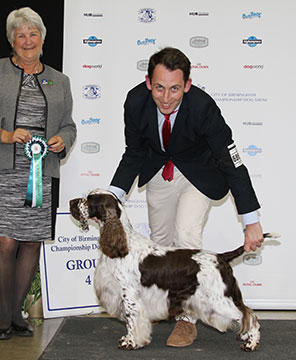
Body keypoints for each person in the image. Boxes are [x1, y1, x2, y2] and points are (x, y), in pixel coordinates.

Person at [109, 47, 264, 347]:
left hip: (199, 174)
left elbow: (231, 162)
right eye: (159, 88)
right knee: (161, 243)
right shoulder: (135, 102)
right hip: (158, 171)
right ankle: (166, 307)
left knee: (186, 234)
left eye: (175, 89)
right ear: (147, 83)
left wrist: (251, 220)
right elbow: (134, 153)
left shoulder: (204, 108)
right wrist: (113, 198)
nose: (166, 98)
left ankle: (186, 320)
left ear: (188, 85)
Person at [0, 7, 76, 340]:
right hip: (5, 169)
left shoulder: (60, 80)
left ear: (43, 38)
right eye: (21, 35)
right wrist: (5, 135)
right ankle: (2, 318)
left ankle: (15, 316)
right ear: (11, 41)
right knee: (5, 243)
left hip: (40, 171)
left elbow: (69, 126)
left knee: (31, 243)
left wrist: (62, 141)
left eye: (33, 34)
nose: (28, 41)